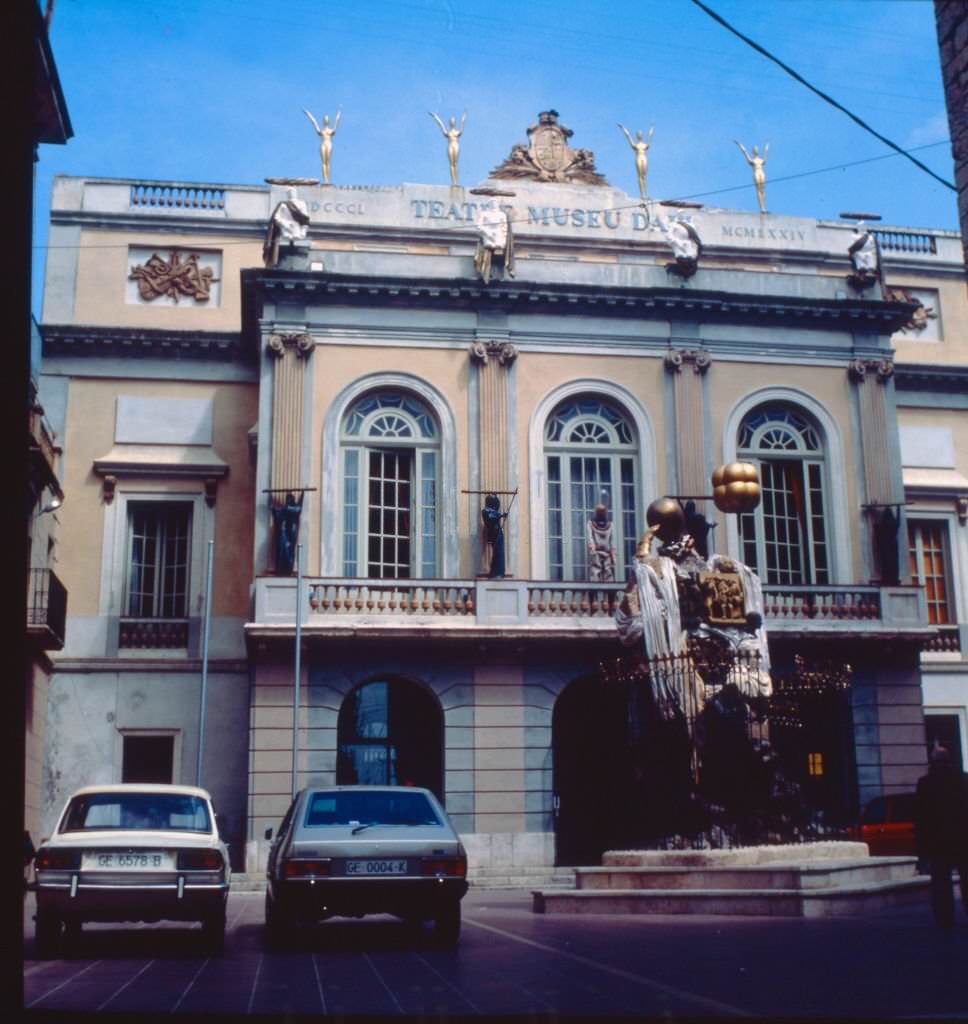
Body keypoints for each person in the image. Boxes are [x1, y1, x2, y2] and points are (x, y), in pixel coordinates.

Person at [914, 744, 968, 928]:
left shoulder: (925, 784)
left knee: (940, 884)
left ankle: (944, 919)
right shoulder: (963, 780)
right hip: (962, 839)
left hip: (938, 843)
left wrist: (922, 852)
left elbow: (921, 819)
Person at [263, 187, 310, 267]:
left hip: (297, 230)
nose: (292, 193)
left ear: (296, 193)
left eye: (293, 192)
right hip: (285, 230)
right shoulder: (283, 205)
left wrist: (303, 231)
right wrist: (285, 224)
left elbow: (305, 220)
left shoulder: (302, 204)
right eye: (289, 192)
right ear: (287, 194)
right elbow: (276, 217)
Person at [617, 123, 654, 200]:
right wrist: (623, 128)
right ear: (637, 136)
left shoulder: (645, 145)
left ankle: (646, 194)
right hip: (638, 158)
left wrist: (652, 127)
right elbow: (628, 136)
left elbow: (650, 136)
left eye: (640, 134)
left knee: (644, 176)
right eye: (638, 134)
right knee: (640, 176)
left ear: (642, 135)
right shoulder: (635, 145)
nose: (639, 135)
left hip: (644, 158)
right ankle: (642, 195)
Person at [303, 109, 341, 185]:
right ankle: (325, 180)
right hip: (323, 145)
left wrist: (339, 112)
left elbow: (336, 122)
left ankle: (328, 180)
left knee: (328, 162)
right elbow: (314, 122)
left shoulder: (331, 131)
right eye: (324, 119)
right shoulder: (321, 131)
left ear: (328, 121)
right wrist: (308, 114)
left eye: (327, 119)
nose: (325, 120)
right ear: (323, 121)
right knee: (323, 163)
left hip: (329, 144)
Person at [429, 111, 466, 187]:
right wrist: (435, 117)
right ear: (449, 123)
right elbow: (440, 125)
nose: (452, 122)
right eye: (451, 121)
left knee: (455, 163)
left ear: (454, 123)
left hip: (456, 145)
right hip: (450, 145)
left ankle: (456, 182)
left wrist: (463, 118)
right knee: (451, 164)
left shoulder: (457, 132)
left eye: (453, 121)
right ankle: (453, 182)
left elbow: (462, 125)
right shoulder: (447, 132)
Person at [272, 491, 304, 575]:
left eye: (290, 499)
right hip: (285, 532)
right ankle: (282, 568)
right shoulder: (285, 510)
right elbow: (277, 515)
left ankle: (288, 568)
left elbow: (298, 509)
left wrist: (302, 495)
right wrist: (275, 510)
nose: (288, 501)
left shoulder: (293, 509)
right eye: (287, 500)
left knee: (290, 549)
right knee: (282, 547)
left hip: (291, 532)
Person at [735, 141, 768, 214]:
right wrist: (740, 145)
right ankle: (762, 207)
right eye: (755, 149)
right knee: (758, 190)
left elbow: (765, 159)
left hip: (762, 173)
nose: (756, 150)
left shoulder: (761, 160)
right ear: (753, 152)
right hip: (756, 172)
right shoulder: (752, 160)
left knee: (763, 190)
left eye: (757, 149)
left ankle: (764, 207)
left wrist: (766, 149)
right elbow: (745, 152)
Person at [586, 503, 616, 582]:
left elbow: (590, 538)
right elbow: (612, 541)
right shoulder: (610, 525)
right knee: (605, 572)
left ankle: (608, 592)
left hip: (599, 552)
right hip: (603, 552)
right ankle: (608, 592)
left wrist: (592, 547)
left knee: (598, 571)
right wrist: (613, 554)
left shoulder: (591, 524)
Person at [481, 494, 507, 578]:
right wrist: (501, 515)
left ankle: (498, 571)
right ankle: (496, 572)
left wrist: (502, 515)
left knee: (499, 553)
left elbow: (496, 515)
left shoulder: (493, 511)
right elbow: (491, 517)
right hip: (493, 534)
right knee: (497, 552)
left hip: (498, 533)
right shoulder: (486, 510)